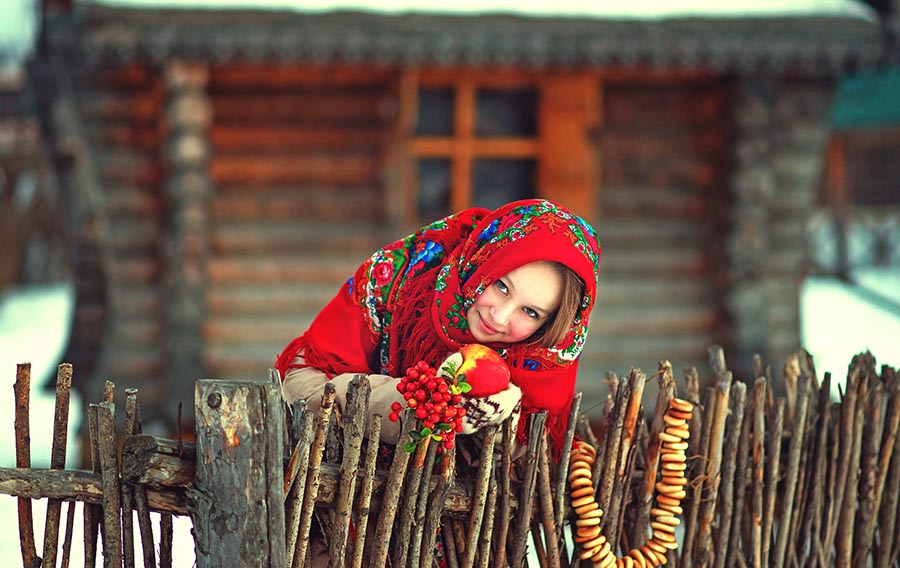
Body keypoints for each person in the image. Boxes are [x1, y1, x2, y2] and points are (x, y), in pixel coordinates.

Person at [274, 198, 601, 455]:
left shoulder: (546, 351)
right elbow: (303, 384)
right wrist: (408, 401)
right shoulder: (399, 275)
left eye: (530, 312)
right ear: (481, 260)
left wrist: (501, 422)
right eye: (500, 286)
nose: (499, 317)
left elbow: (539, 450)